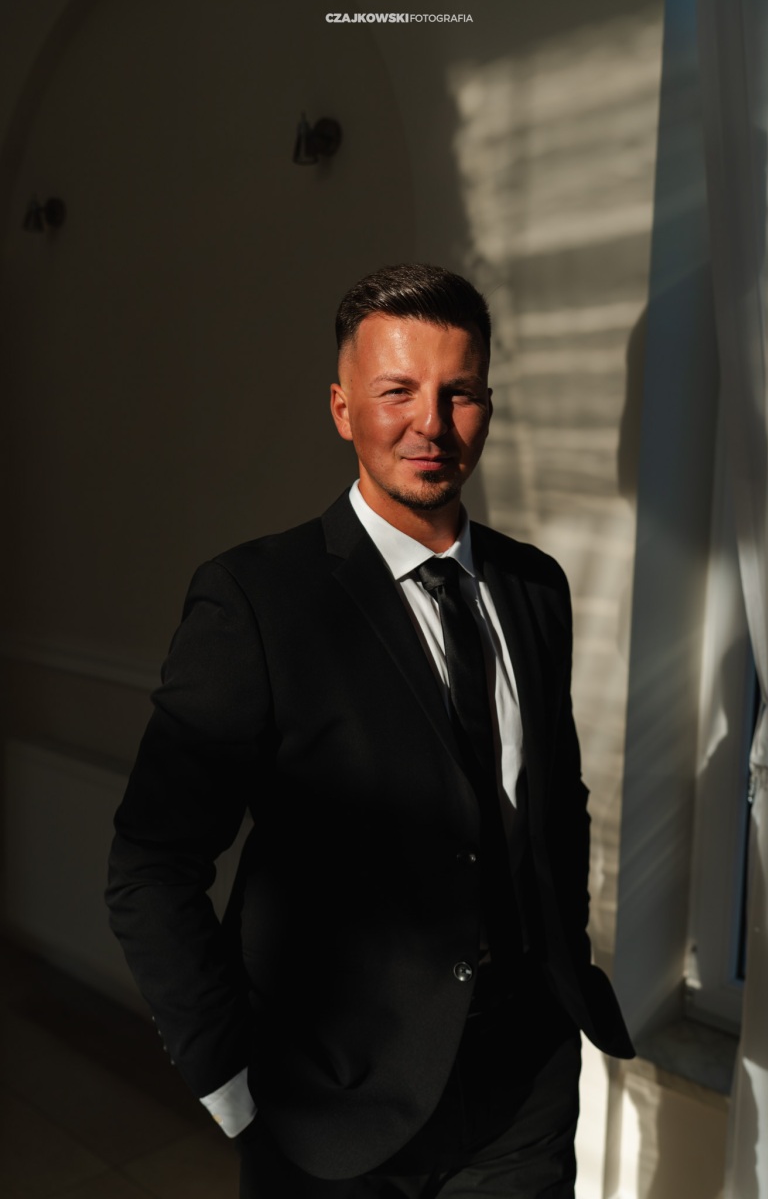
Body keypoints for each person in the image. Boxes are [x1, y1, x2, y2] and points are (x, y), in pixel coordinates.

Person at [107, 263, 634, 1198]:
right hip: (331, 1108)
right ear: (343, 408)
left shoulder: (534, 586)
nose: (431, 423)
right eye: (398, 391)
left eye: (459, 393)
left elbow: (557, 803)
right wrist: (228, 1081)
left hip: (524, 1091)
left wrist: (564, 979)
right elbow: (152, 865)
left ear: (487, 407)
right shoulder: (256, 600)